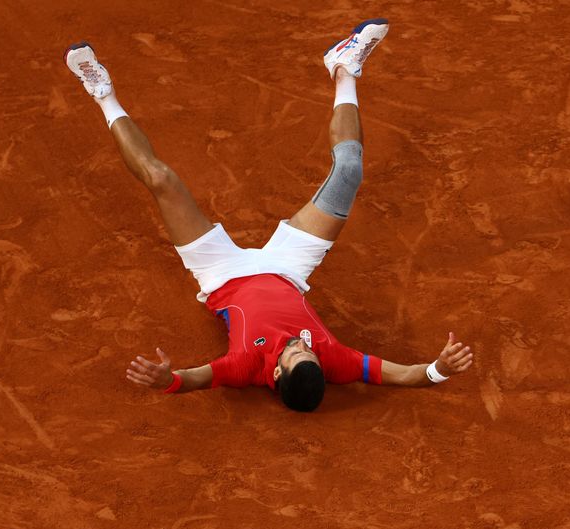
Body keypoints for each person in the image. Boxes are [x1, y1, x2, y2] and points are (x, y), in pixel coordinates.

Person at [64, 19, 474, 412]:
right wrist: (440, 370)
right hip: (288, 268)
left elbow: (189, 380)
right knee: (349, 170)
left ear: (275, 373)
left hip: (221, 273)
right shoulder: (330, 358)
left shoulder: (246, 366)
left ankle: (101, 91)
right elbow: (406, 376)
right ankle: (344, 68)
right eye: (309, 351)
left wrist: (164, 380)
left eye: (297, 353)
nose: (303, 344)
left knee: (161, 179)